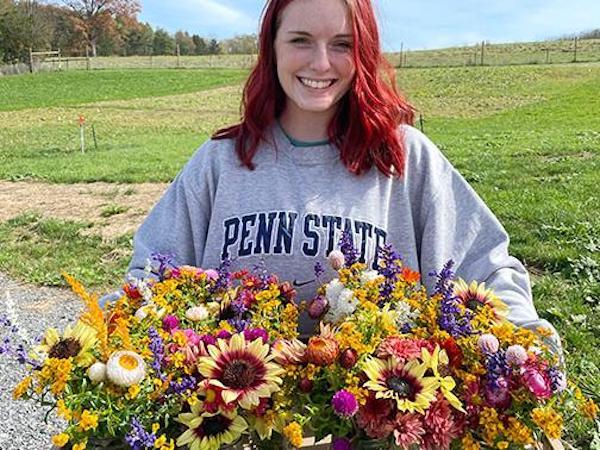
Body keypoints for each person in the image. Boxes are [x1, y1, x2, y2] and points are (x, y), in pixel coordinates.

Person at [125, 0, 560, 351]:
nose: (320, 63)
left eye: (342, 44)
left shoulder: (403, 157)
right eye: (300, 40)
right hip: (231, 419)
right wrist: (113, 335)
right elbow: (151, 274)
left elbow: (484, 267)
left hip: (374, 422)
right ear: (271, 46)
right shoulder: (220, 162)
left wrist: (524, 340)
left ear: (364, 52)